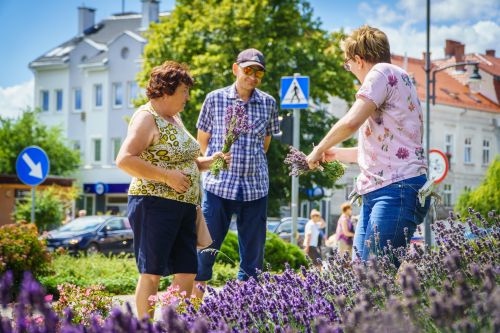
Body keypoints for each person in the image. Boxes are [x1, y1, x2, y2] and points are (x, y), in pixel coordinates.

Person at [306, 25, 430, 265]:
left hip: (396, 189)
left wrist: (318, 148)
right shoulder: (400, 77)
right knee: (362, 275)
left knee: (373, 276)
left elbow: (351, 122)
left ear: (358, 59)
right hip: (383, 189)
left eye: (348, 64)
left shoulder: (380, 73)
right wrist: (334, 154)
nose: (349, 69)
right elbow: (382, 150)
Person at [116, 61, 229, 319]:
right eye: (184, 91)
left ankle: (172, 324)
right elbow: (124, 159)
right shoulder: (147, 117)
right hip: (154, 203)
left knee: (187, 270)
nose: (188, 97)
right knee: (152, 272)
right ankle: (144, 326)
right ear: (166, 91)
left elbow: (185, 162)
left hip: (184, 206)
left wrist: (210, 161)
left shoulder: (174, 118)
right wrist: (167, 177)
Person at [194, 48, 280, 296]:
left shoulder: (268, 103)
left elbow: (264, 144)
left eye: (259, 73)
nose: (253, 77)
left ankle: (244, 315)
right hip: (218, 187)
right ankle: (191, 313)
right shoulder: (214, 99)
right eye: (248, 70)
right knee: (204, 253)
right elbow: (202, 144)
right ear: (236, 69)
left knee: (252, 260)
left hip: (255, 189)